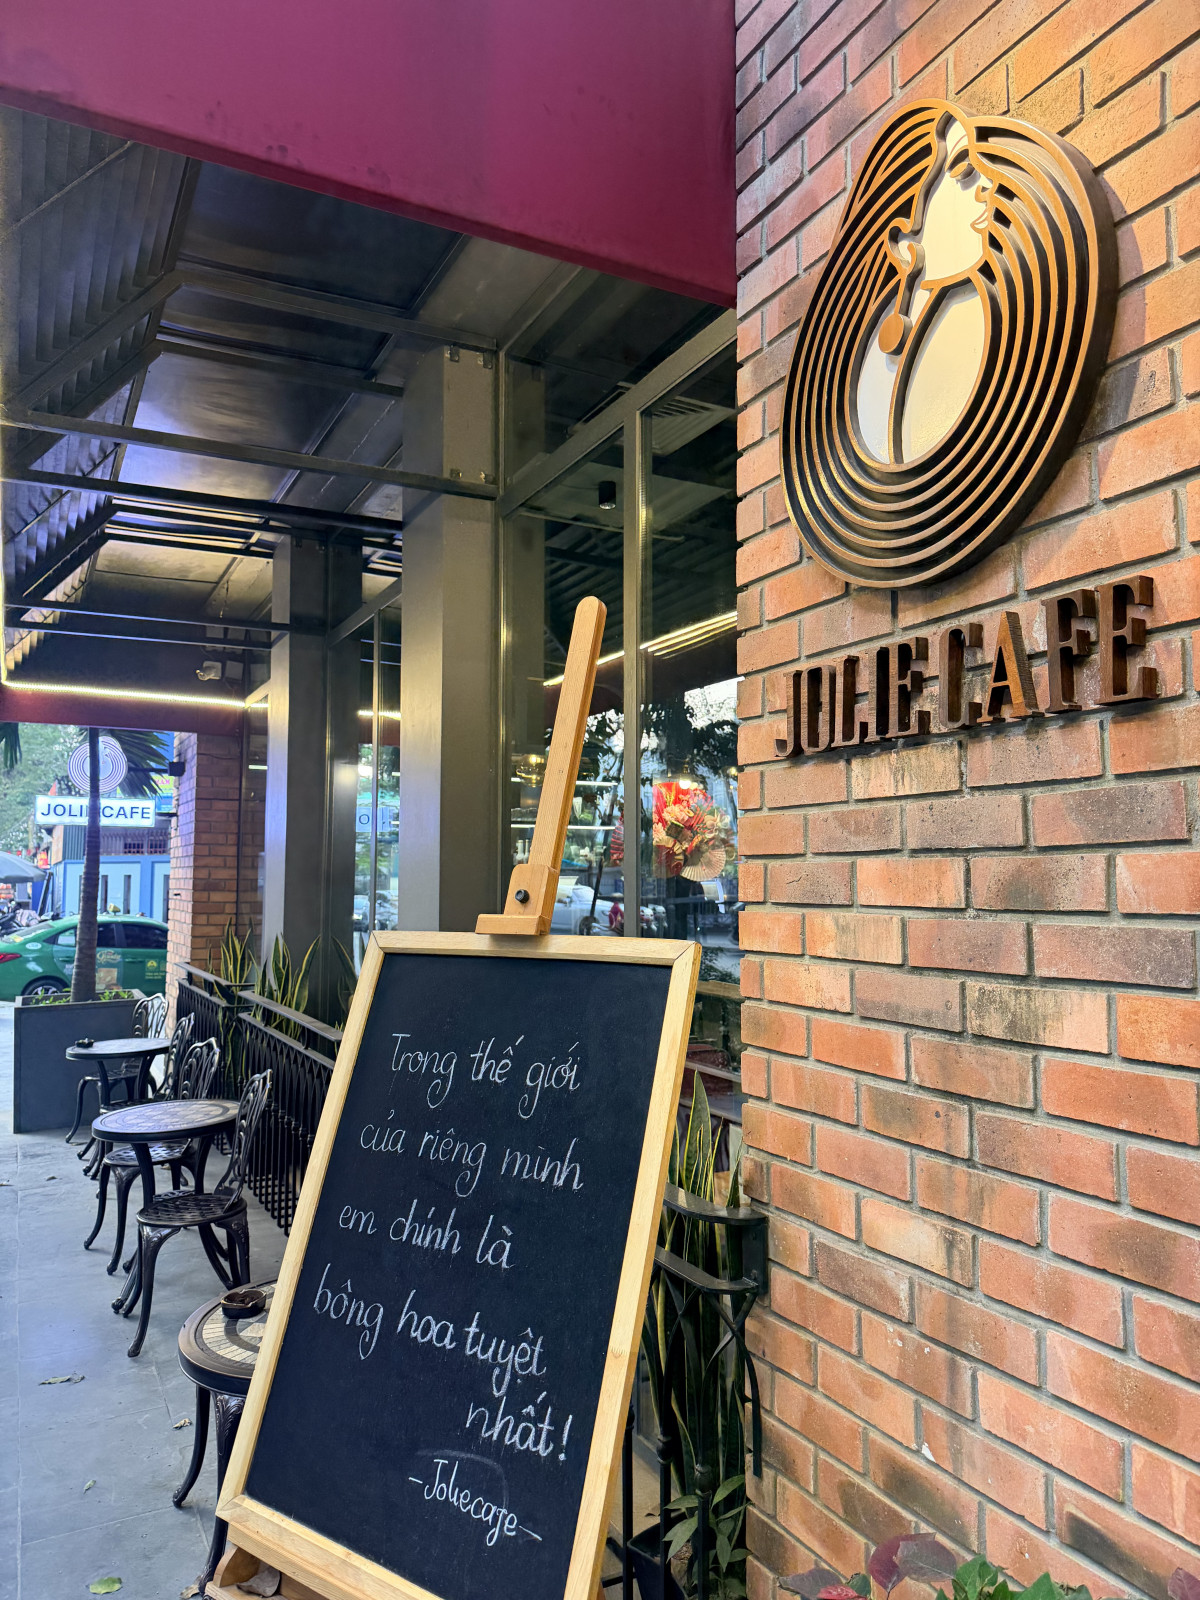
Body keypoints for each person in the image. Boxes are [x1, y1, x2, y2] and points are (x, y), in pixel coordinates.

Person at [855, 113, 996, 464]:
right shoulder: (868, 365)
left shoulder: (978, 310)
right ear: (903, 235)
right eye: (964, 170)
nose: (986, 188)